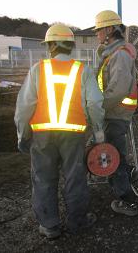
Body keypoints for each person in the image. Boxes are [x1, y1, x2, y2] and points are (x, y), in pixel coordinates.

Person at [14, 24, 105, 239]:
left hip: (42, 135)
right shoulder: (83, 70)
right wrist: (99, 132)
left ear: (51, 45)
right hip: (73, 134)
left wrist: (22, 134)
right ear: (71, 46)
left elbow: (24, 106)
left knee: (43, 178)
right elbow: (94, 103)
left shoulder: (38, 69)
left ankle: (50, 226)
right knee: (75, 177)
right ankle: (77, 222)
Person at [93, 10, 138, 216]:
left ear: (110, 30)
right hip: (114, 113)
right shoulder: (113, 54)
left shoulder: (119, 55)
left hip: (115, 114)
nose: (97, 34)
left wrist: (97, 108)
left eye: (99, 30)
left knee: (112, 158)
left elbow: (118, 89)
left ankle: (128, 201)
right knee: (115, 155)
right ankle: (129, 176)